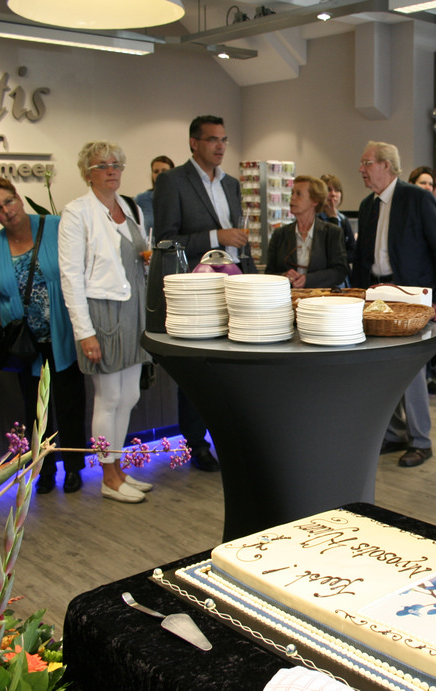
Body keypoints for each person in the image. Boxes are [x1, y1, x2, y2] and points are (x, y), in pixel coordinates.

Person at [154, 115, 255, 472]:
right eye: (213, 139)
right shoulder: (172, 181)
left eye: (224, 139)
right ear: (194, 143)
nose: (220, 146)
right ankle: (196, 442)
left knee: (234, 367)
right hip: (197, 290)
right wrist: (216, 237)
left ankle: (230, 435)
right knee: (197, 368)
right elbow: (165, 240)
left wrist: (251, 274)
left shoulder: (231, 184)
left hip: (234, 282)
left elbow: (238, 236)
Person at [0, 177, 87, 494]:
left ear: (18, 197)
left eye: (8, 201)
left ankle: (74, 467)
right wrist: (7, 337)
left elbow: (78, 272)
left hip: (63, 337)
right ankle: (45, 470)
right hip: (25, 346)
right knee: (35, 412)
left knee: (70, 404)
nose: (6, 211)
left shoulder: (55, 227)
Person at [59, 141, 153, 503]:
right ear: (88, 174)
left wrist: (145, 259)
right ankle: (107, 476)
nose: (111, 170)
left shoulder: (129, 207)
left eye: (116, 164)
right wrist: (85, 333)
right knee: (109, 396)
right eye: (102, 165)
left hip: (133, 309)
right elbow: (71, 277)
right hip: (102, 313)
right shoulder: (77, 213)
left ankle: (119, 468)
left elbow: (135, 254)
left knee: (129, 395)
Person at [352, 141, 436, 468]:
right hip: (376, 295)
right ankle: (395, 433)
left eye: (367, 163)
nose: (361, 169)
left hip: (409, 298)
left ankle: (421, 440)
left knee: (411, 369)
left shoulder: (417, 199)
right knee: (381, 368)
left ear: (386, 165)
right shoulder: (367, 205)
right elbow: (362, 257)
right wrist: (357, 296)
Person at [409, 166, 436, 393]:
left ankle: (428, 375)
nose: (427, 187)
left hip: (432, 285)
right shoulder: (409, 211)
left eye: (430, 184)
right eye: (422, 183)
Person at [264, 175, 347, 288]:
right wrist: (284, 276)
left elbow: (340, 272)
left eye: (298, 194)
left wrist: (308, 279)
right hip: (288, 296)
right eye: (292, 193)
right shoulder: (279, 234)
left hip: (320, 296)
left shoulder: (332, 233)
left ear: (315, 201)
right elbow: (269, 274)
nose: (292, 198)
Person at [318, 174, 356, 276]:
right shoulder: (315, 219)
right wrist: (332, 219)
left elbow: (353, 251)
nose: (333, 194)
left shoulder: (343, 220)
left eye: (337, 190)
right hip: (324, 276)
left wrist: (340, 258)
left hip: (344, 275)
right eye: (329, 190)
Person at [134, 156, 175, 235]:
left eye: (164, 171)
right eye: (156, 171)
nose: (160, 175)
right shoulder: (141, 199)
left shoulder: (181, 198)